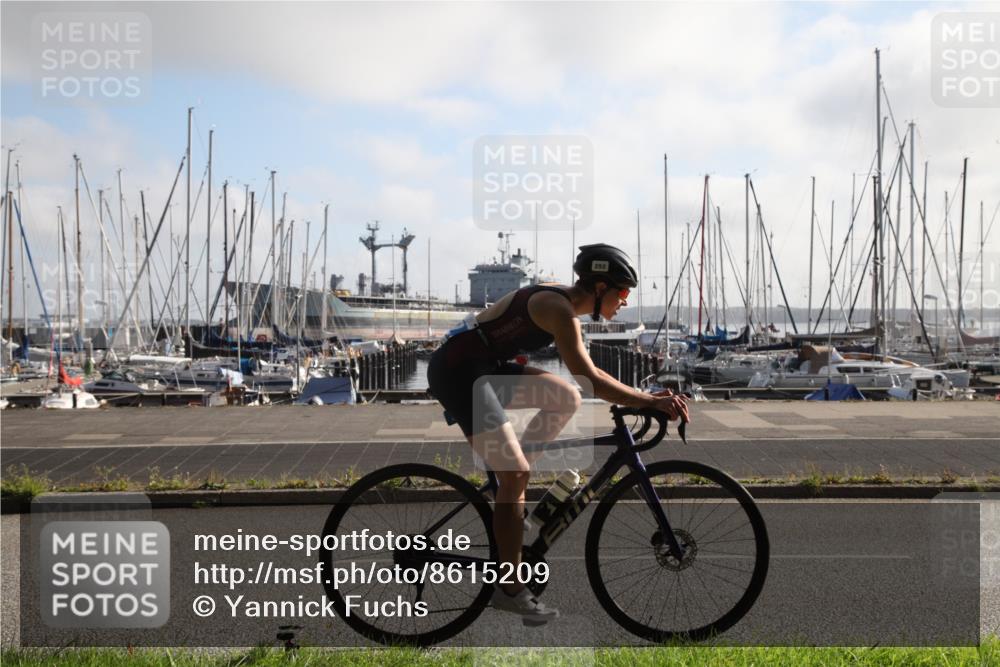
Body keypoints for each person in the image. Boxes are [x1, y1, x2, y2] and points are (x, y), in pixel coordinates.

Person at [426, 243, 690, 624]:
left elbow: (581, 385)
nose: (625, 301)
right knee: (516, 472)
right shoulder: (558, 310)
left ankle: (510, 494)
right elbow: (592, 381)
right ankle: (510, 588)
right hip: (458, 372)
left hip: (481, 367)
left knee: (564, 397)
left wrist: (643, 399)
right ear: (600, 289)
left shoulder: (565, 308)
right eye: (623, 292)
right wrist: (648, 401)